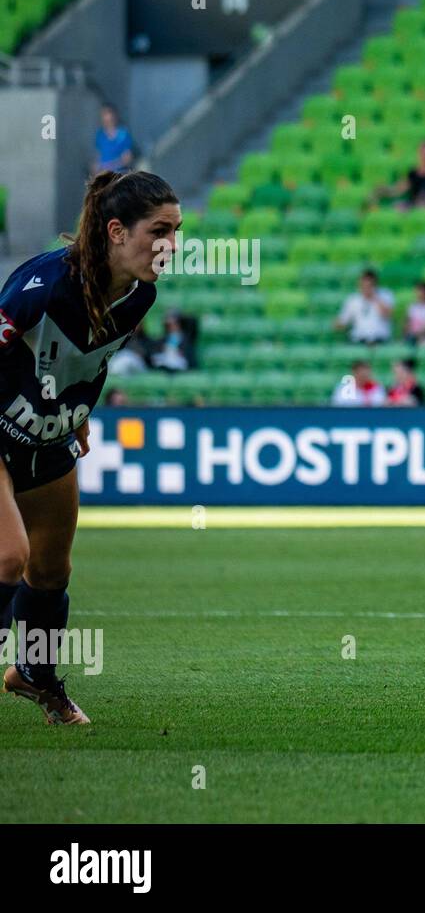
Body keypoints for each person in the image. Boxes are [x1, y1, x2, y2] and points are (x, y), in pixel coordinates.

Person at [0, 169, 179, 724]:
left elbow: (91, 361)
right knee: (10, 556)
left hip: (49, 440)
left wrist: (77, 415)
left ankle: (35, 676)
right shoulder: (43, 286)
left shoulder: (141, 294)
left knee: (51, 573)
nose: (170, 245)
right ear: (117, 231)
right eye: (159, 230)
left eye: (176, 232)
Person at [334, 268, 394, 345]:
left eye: (369, 285)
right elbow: (343, 321)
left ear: (375, 284)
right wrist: (338, 324)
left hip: (381, 340)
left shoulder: (386, 295)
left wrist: (375, 298)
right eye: (363, 285)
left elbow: (387, 315)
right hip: (358, 339)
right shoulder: (353, 299)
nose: (365, 288)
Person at [93, 105, 135, 173]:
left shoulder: (123, 134)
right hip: (104, 176)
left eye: (109, 114)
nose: (107, 117)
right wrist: (96, 167)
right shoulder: (100, 135)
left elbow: (128, 158)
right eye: (104, 114)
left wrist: (110, 166)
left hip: (120, 175)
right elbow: (98, 156)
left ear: (115, 116)